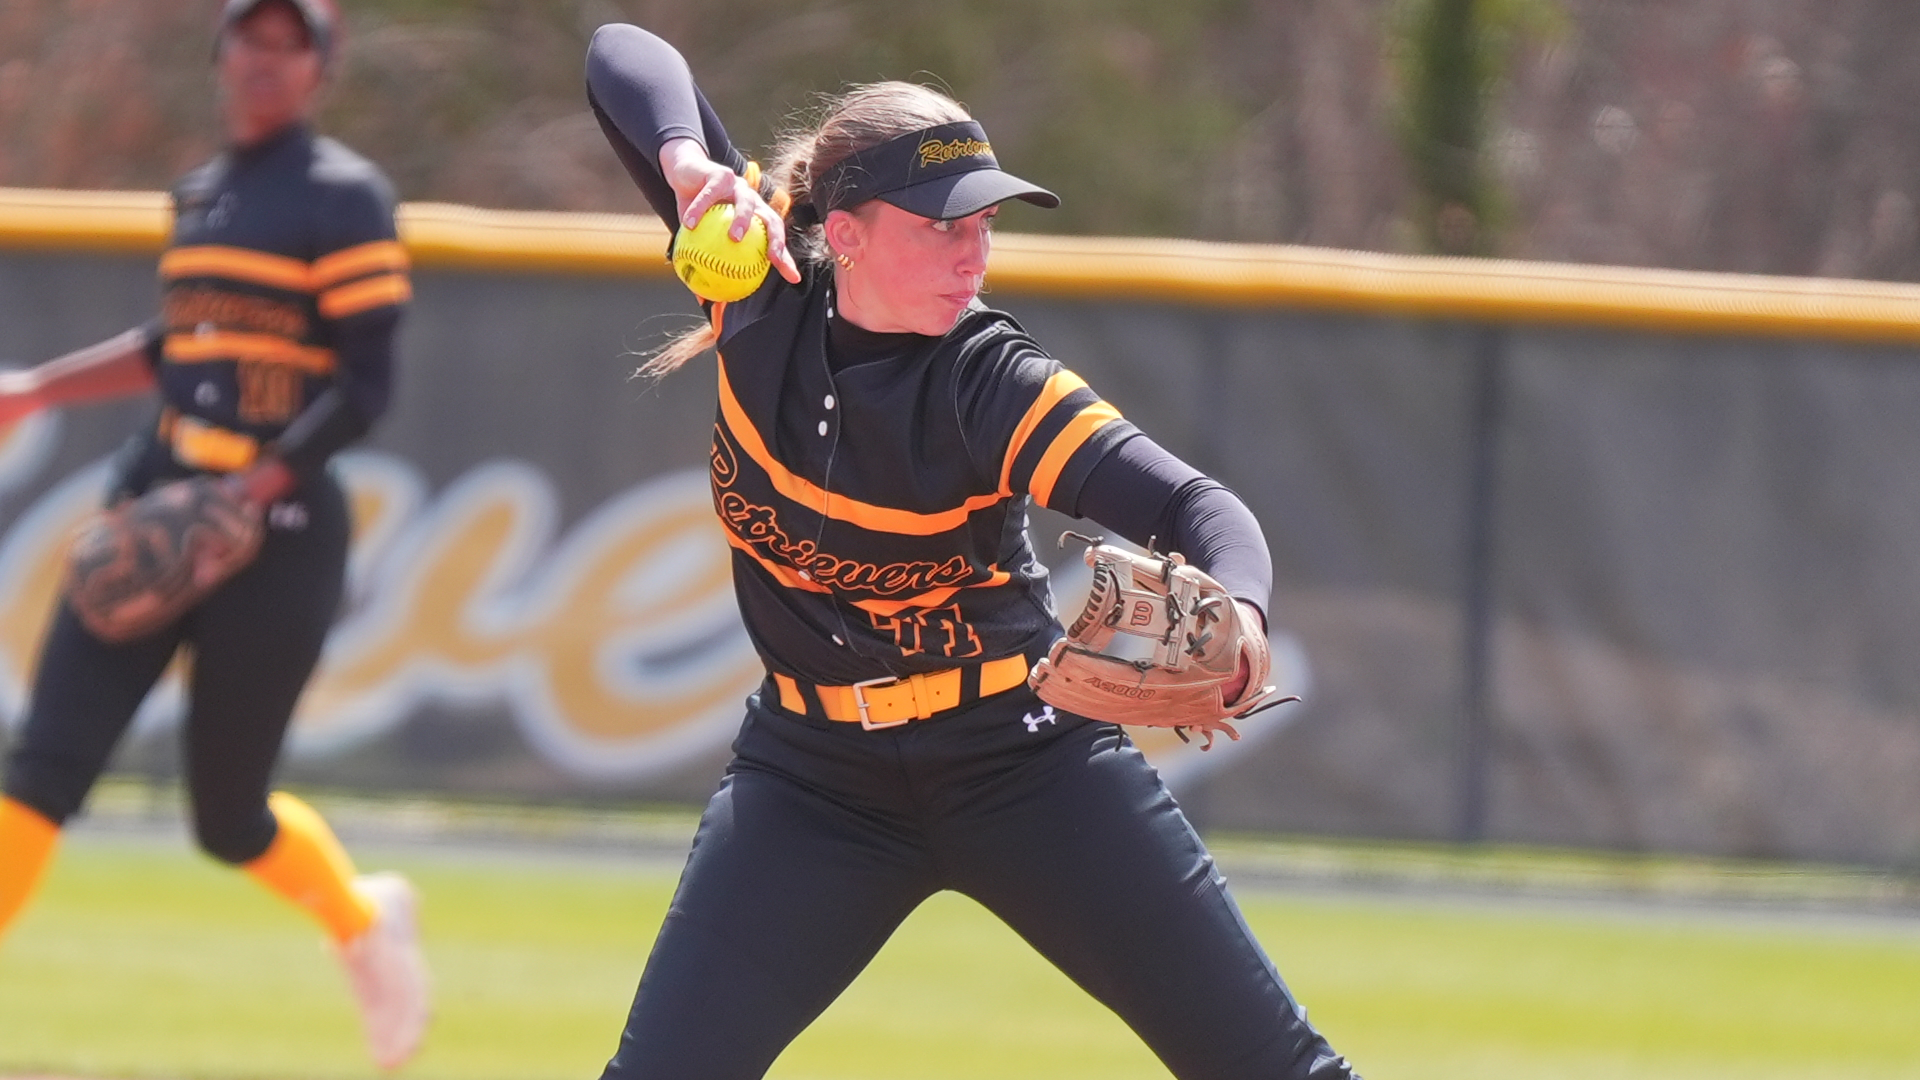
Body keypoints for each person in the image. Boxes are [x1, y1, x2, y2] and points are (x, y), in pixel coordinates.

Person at [583, 22, 1359, 1080]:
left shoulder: (991, 383)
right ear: (845, 233)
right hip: (813, 781)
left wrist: (1246, 616)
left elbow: (1198, 506)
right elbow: (619, 53)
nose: (974, 254)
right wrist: (686, 167)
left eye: (984, 223)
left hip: (1021, 761)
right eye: (942, 224)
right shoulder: (757, 283)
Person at [0, 0, 427, 1069]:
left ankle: (363, 921)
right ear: (222, 53)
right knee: (41, 769)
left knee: (228, 817)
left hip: (279, 527)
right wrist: (39, 389)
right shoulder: (200, 193)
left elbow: (367, 387)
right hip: (161, 500)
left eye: (291, 43)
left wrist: (254, 487)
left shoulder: (344, 194)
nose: (265, 59)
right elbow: (178, 345)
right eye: (251, 37)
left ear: (320, 67)